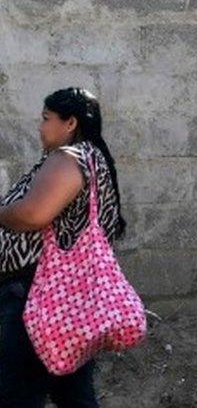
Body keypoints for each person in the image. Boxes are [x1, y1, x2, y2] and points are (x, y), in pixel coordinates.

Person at [0, 88, 126, 407]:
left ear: (69, 123)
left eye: (46, 119)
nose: (40, 127)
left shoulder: (69, 159)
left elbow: (33, 215)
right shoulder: (93, 160)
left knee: (18, 393)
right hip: (69, 303)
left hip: (37, 295)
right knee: (72, 394)